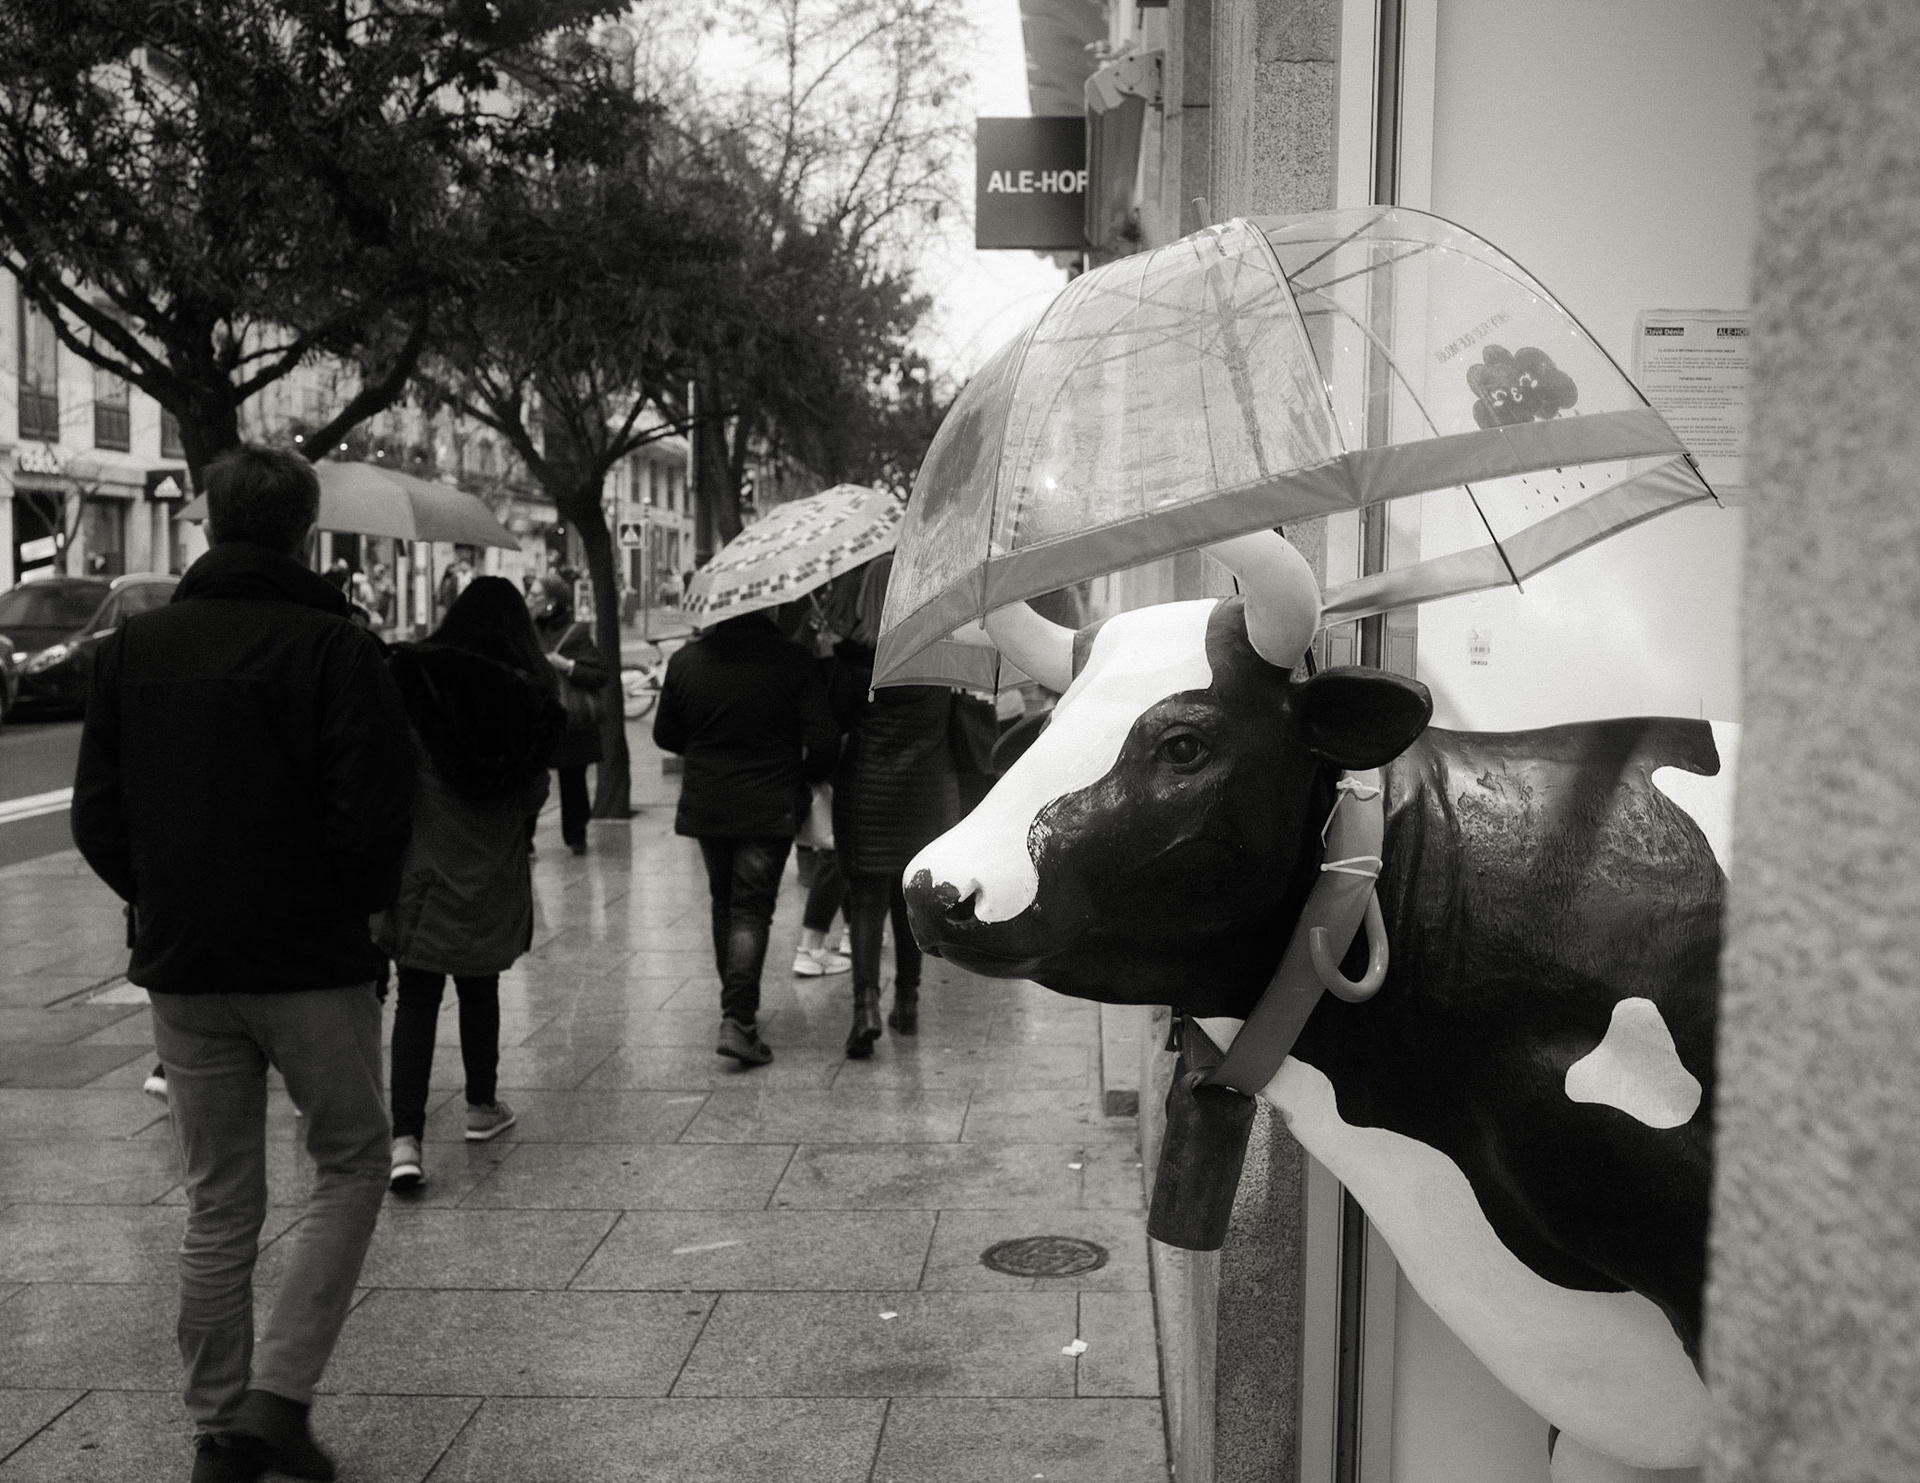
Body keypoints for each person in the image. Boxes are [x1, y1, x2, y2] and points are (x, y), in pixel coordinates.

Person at [71, 445, 415, 1483]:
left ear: (210, 525)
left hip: (185, 966)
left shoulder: (133, 648)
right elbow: (373, 817)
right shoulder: (338, 648)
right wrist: (355, 907)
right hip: (310, 962)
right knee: (353, 1159)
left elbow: (97, 817)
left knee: (218, 1199)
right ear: (305, 532)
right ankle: (278, 1396)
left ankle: (220, 1431)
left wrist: (164, 894)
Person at [374, 578, 564, 1190]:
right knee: (481, 985)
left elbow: (391, 775)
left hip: (423, 869)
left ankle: (405, 1141)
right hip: (490, 871)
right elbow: (532, 796)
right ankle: (481, 1105)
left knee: (417, 995)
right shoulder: (525, 699)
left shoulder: (413, 682)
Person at [652, 609, 840, 1066]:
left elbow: (665, 733)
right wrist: (801, 774)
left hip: (708, 803)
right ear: (770, 607)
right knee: (751, 910)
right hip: (769, 804)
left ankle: (736, 1012)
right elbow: (823, 739)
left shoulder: (686, 661)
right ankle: (737, 1019)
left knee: (725, 903)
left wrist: (708, 747)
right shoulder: (794, 661)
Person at [827, 555, 960, 1057]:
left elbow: (833, 724)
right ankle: (908, 1003)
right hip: (923, 798)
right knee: (909, 902)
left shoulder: (848, 664)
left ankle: (865, 1008)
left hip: (864, 796)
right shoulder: (940, 660)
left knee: (864, 903)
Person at [532, 575, 609, 854]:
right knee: (530, 777)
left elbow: (599, 675)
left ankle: (576, 836)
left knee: (572, 779)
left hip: (569, 721)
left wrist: (567, 665)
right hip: (535, 719)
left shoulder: (575, 633)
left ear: (552, 603)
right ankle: (524, 839)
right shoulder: (526, 631)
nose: (530, 600)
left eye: (536, 595)